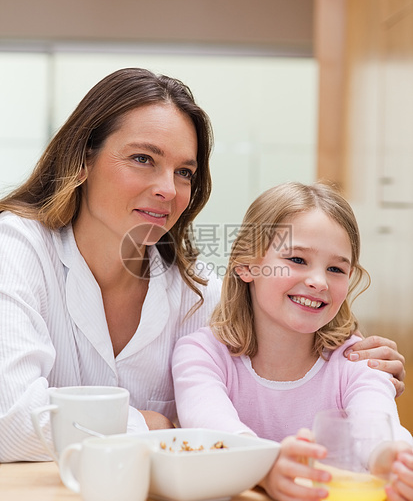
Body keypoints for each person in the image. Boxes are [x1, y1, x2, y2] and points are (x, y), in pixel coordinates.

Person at [0, 69, 406, 463]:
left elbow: (277, 369)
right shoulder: (17, 248)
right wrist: (151, 424)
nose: (167, 189)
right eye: (143, 158)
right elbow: (11, 420)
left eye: (184, 172)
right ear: (82, 160)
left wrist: (367, 372)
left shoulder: (200, 296)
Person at [172, 182, 413, 501]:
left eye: (336, 268)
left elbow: (377, 422)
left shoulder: (356, 360)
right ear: (247, 265)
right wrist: (266, 467)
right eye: (298, 259)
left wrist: (393, 461)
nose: (319, 281)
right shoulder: (202, 355)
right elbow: (211, 425)